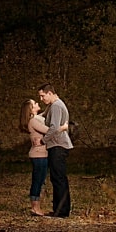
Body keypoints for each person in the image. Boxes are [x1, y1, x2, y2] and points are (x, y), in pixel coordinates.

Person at [38, 84, 73, 218]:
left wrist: (43, 140)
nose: (41, 99)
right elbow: (42, 117)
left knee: (59, 178)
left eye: (43, 95)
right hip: (56, 145)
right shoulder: (52, 106)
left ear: (50, 93)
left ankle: (62, 210)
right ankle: (59, 208)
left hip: (58, 145)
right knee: (56, 177)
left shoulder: (57, 106)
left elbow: (53, 127)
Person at [19, 98, 49, 215]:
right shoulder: (33, 121)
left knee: (41, 180)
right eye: (34, 104)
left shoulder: (38, 118)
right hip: (38, 155)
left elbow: (45, 114)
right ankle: (35, 207)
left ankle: (37, 206)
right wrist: (63, 127)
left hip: (42, 154)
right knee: (37, 180)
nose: (37, 104)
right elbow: (49, 130)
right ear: (30, 110)